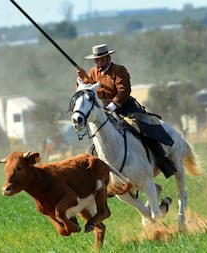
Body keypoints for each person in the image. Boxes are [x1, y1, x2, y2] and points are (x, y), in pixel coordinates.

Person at [75, 44, 177, 178]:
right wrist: (83, 79)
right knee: (95, 141)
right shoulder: (93, 72)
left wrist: (112, 106)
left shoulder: (119, 70)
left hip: (126, 107)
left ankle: (163, 162)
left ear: (108, 57)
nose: (98, 62)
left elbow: (124, 91)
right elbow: (89, 89)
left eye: (101, 59)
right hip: (105, 110)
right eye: (96, 60)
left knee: (144, 129)